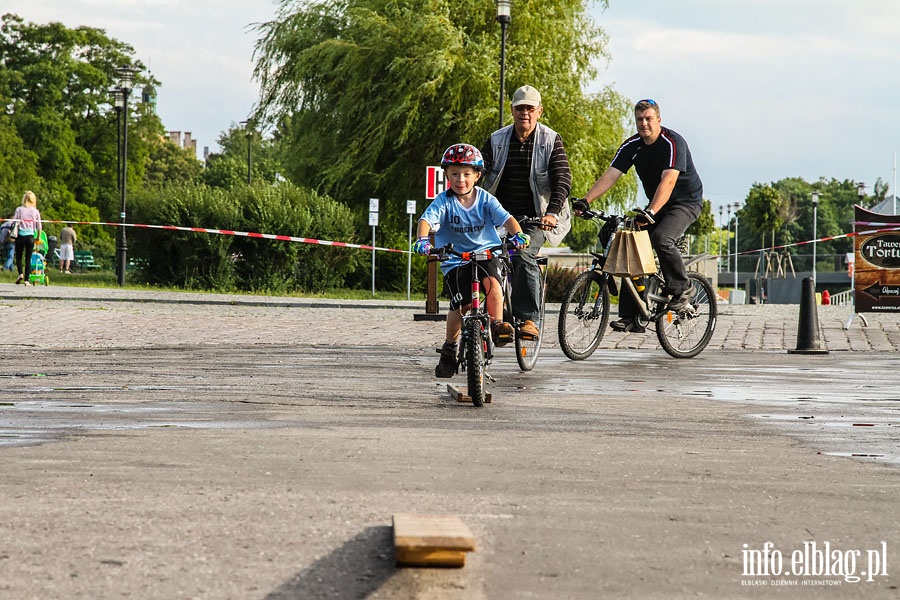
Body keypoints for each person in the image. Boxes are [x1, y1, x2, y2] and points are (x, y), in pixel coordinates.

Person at [574, 98, 703, 332]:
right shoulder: (632, 145)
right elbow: (611, 174)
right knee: (625, 241)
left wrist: (651, 212)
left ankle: (682, 289)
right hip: (656, 205)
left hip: (685, 202)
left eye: (649, 119)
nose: (644, 124)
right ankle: (632, 315)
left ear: (658, 120)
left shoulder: (672, 143)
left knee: (662, 238)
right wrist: (586, 200)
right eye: (639, 119)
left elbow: (669, 180)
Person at [413, 143, 530, 378]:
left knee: (493, 285)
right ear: (446, 175)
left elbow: (507, 219)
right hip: (456, 260)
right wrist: (423, 240)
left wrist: (518, 235)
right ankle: (449, 349)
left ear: (477, 176)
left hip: (487, 253)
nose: (460, 179)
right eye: (454, 174)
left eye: (467, 174)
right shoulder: (444, 201)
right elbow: (426, 221)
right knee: (461, 306)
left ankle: (497, 325)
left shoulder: (485, 199)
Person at [481, 85, 572, 340]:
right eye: (520, 108)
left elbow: (562, 179)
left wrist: (552, 213)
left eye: (530, 108)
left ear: (539, 111)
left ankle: (529, 319)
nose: (525, 113)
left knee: (522, 255)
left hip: (536, 217)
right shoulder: (497, 139)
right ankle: (494, 320)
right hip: (499, 215)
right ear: (512, 110)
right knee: (480, 256)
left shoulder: (551, 140)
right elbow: (479, 170)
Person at [12, 191, 42, 286]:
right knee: (28, 258)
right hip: (30, 236)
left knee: (19, 257)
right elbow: (39, 226)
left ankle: (20, 273)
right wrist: (38, 237)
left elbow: (14, 222)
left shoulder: (19, 209)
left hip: (21, 235)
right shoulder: (35, 211)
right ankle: (26, 280)